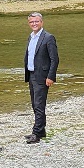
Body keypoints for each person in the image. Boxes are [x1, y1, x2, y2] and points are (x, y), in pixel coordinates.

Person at [21, 11, 58, 143]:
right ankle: (41, 131)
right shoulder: (31, 37)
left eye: (36, 21)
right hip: (31, 75)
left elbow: (55, 59)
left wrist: (50, 77)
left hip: (42, 76)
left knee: (39, 104)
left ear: (41, 22)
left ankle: (36, 134)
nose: (34, 24)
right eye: (31, 22)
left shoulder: (48, 37)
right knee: (34, 104)